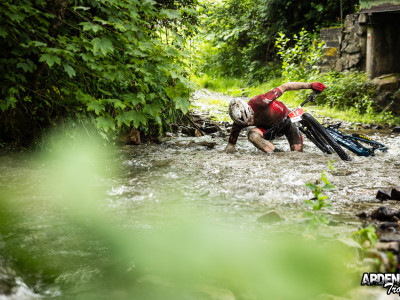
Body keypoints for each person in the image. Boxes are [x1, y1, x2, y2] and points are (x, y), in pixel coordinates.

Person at [225, 82, 326, 153]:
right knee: (252, 136)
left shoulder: (261, 101)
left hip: (287, 119)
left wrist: (310, 85)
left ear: (251, 111)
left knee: (297, 153)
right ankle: (277, 155)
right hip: (269, 129)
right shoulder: (238, 123)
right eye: (244, 124)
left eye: (249, 120)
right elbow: (230, 146)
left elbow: (285, 86)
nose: (247, 124)